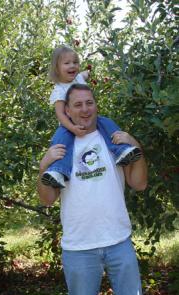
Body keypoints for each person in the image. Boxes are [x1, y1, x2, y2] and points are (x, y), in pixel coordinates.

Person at [38, 84, 159, 295]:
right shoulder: (61, 147)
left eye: (89, 103)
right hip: (79, 247)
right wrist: (43, 166)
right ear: (68, 109)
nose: (84, 109)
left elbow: (140, 183)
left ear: (96, 106)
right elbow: (48, 198)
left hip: (118, 241)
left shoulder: (112, 139)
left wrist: (136, 146)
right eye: (77, 104)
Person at [42, 46, 141, 189]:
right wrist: (72, 128)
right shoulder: (59, 90)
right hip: (67, 126)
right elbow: (60, 114)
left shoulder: (78, 78)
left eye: (75, 62)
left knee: (107, 123)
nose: (72, 66)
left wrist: (89, 72)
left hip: (88, 120)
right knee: (61, 144)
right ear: (57, 68)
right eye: (67, 63)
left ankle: (122, 151)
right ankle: (57, 171)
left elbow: (84, 74)